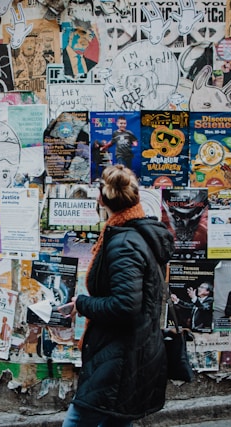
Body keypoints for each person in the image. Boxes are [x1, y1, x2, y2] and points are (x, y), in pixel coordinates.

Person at [62, 164, 174, 427]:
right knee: (116, 420)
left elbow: (126, 305)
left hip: (120, 355)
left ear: (102, 199)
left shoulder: (124, 243)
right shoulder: (136, 234)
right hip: (130, 351)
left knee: (78, 419)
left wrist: (83, 303)